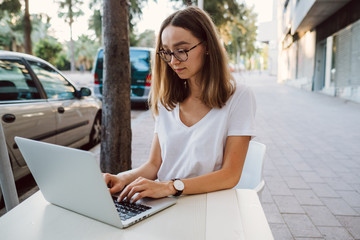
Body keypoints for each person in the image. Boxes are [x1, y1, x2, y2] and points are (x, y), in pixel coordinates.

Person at [104, 6, 256, 203]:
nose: (173, 61)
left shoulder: (239, 97)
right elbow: (153, 165)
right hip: (164, 201)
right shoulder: (167, 100)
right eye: (167, 52)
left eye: (182, 50)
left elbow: (230, 175)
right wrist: (121, 178)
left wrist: (170, 187)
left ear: (208, 46)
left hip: (209, 204)